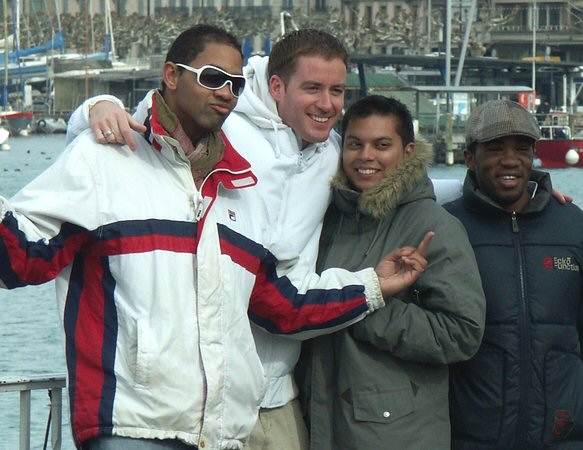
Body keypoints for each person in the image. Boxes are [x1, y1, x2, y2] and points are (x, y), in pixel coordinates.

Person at [0, 25, 428, 450]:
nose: (225, 92)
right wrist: (96, 105)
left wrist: (374, 284)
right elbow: (20, 258)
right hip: (132, 427)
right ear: (172, 75)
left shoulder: (241, 190)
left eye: (234, 84)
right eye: (211, 78)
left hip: (224, 429)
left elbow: (279, 303)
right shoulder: (108, 161)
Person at [295, 95, 485, 450]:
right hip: (319, 422)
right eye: (355, 144)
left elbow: (462, 332)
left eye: (382, 145)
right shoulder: (325, 216)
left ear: (408, 152)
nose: (366, 156)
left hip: (397, 433)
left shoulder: (433, 225)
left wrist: (361, 308)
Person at [445, 99, 583, 450]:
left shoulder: (574, 227)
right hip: (470, 437)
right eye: (495, 148)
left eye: (522, 148)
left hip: (565, 437)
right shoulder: (447, 228)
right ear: (469, 158)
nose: (510, 159)